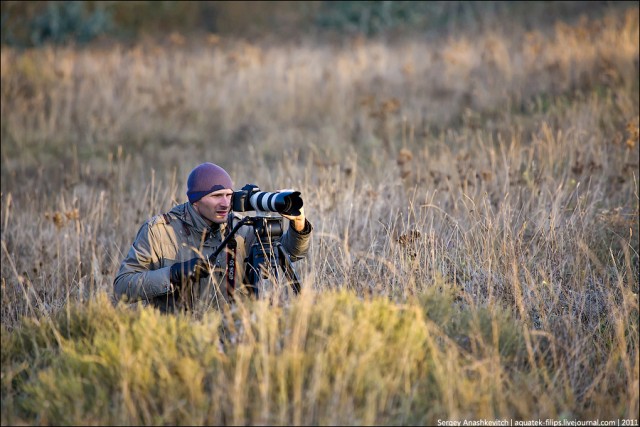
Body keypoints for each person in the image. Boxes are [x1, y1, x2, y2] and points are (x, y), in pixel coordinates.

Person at [113, 162, 313, 313]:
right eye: (216, 196)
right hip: (181, 338)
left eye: (228, 195)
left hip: (234, 338)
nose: (225, 203)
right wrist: (172, 274)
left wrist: (299, 224)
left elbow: (288, 255)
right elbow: (122, 287)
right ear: (195, 201)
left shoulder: (240, 228)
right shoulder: (159, 231)